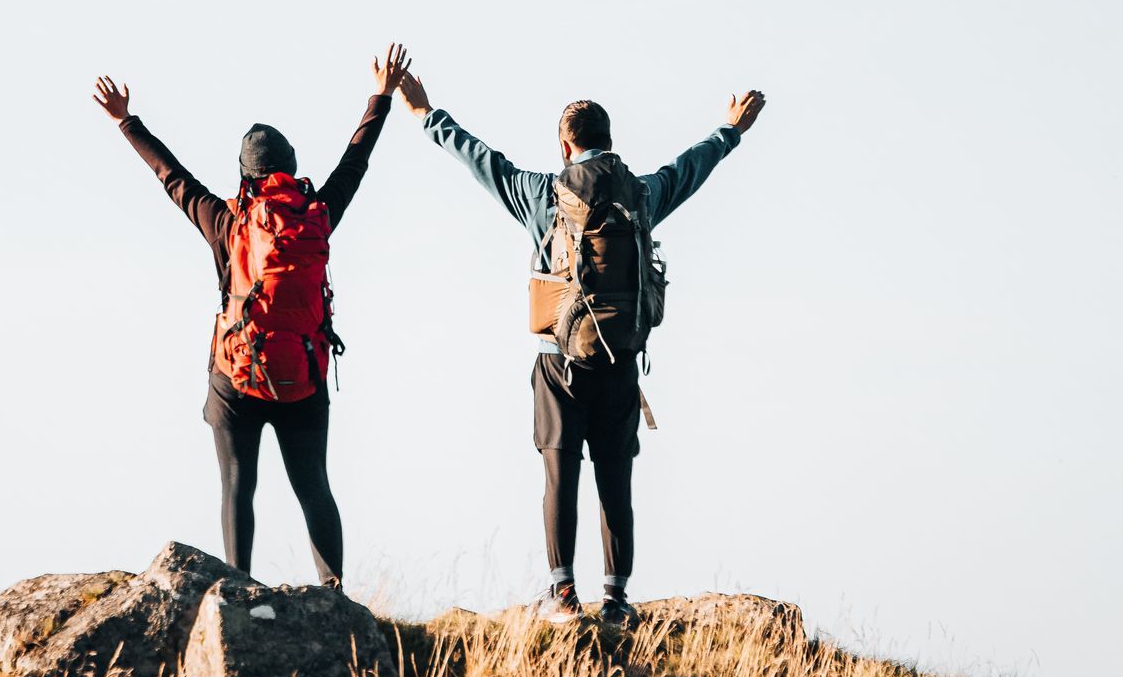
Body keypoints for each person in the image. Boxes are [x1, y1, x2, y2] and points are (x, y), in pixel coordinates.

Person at [396, 67, 767, 625]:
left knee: (559, 470)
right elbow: (690, 170)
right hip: (620, 360)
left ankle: (563, 595)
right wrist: (730, 130)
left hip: (558, 361)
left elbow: (480, 159)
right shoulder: (640, 196)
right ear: (611, 143)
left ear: (564, 145)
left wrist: (425, 114)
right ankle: (617, 602)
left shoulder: (541, 194)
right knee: (615, 479)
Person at [93, 45, 411, 588]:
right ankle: (333, 590)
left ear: (245, 175)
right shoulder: (315, 216)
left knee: (238, 483)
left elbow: (174, 178)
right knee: (314, 484)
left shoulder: (226, 221)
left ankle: (238, 591)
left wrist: (128, 123)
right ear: (290, 170)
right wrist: (379, 97)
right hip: (303, 375)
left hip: (236, 377)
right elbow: (353, 163)